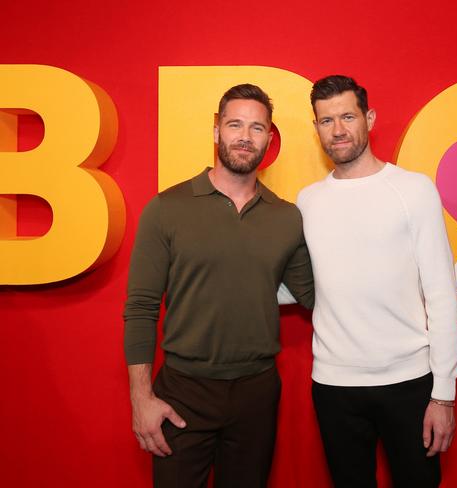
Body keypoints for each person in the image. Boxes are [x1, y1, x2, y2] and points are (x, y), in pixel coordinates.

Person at [123, 83, 314, 488]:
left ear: (269, 138)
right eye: (235, 124)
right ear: (216, 132)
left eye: (257, 128)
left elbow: (316, 295)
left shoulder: (286, 217)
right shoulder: (167, 208)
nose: (245, 136)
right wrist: (141, 398)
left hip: (257, 392)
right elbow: (141, 306)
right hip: (182, 391)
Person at [296, 75, 457, 488]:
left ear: (369, 118)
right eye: (326, 120)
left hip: (409, 383)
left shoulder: (413, 190)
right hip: (334, 385)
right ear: (315, 127)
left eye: (348, 116)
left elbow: (442, 296)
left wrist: (443, 394)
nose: (338, 130)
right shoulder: (307, 201)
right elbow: (303, 282)